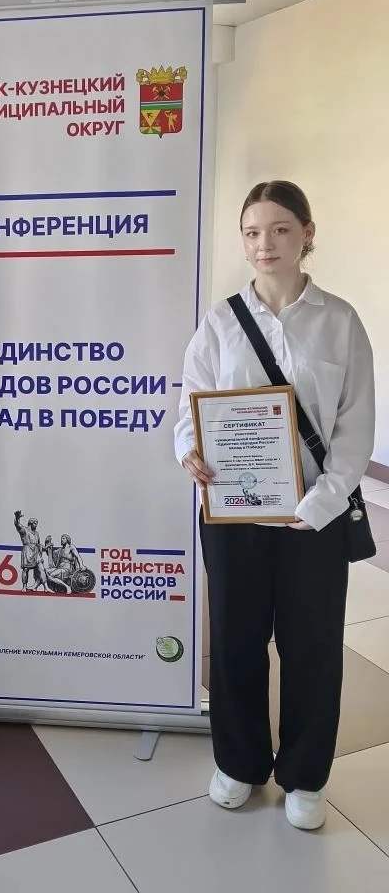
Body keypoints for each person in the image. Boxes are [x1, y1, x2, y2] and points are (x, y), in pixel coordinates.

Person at [174, 180, 374, 831]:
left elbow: (355, 427)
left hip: (314, 518)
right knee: (235, 641)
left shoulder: (340, 321)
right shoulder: (220, 321)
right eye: (253, 232)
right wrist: (189, 452)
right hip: (233, 516)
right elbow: (191, 406)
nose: (265, 244)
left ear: (307, 234)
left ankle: (306, 776)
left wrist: (321, 503)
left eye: (281, 229)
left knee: (312, 646)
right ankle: (239, 764)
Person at [14, 511, 46, 591]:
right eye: (35, 523)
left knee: (41, 569)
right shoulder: (24, 530)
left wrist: (45, 547)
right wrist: (17, 517)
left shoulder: (36, 533)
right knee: (26, 569)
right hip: (27, 551)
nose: (36, 525)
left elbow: (38, 544)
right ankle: (24, 586)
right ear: (30, 523)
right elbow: (17, 525)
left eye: (36, 524)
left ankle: (45, 587)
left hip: (36, 552)